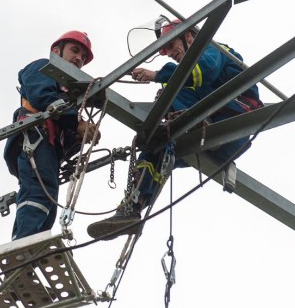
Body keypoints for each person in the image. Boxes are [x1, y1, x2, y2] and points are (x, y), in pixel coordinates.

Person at [87, 16, 263, 240]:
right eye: (165, 50)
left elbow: (204, 72)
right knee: (155, 149)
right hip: (206, 139)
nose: (169, 53)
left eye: (171, 46)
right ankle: (132, 208)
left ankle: (195, 124)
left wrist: (158, 75)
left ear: (189, 36)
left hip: (235, 122)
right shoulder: (183, 74)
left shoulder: (212, 49)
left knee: (173, 87)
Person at [3, 31, 101, 240]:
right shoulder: (43, 68)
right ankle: (24, 245)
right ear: (56, 51)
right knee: (38, 194)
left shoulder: (66, 93)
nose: (79, 59)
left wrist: (78, 137)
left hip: (47, 149)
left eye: (83, 57)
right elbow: (42, 97)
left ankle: (33, 247)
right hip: (35, 139)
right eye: (75, 51)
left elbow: (63, 136)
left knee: (48, 203)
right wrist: (77, 124)